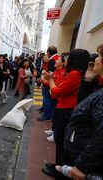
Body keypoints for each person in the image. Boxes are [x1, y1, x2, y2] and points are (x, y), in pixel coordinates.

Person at [55, 45, 103, 180]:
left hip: (83, 155)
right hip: (78, 144)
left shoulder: (75, 74)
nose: (94, 61)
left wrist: (82, 166)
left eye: (99, 56)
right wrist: (87, 82)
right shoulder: (94, 82)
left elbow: (100, 133)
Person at [42, 49, 90, 178]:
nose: (64, 60)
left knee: (61, 139)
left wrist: (50, 79)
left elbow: (56, 91)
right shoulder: (75, 73)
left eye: (68, 58)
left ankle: (59, 169)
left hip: (67, 109)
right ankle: (58, 165)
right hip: (64, 107)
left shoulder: (75, 74)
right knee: (59, 138)